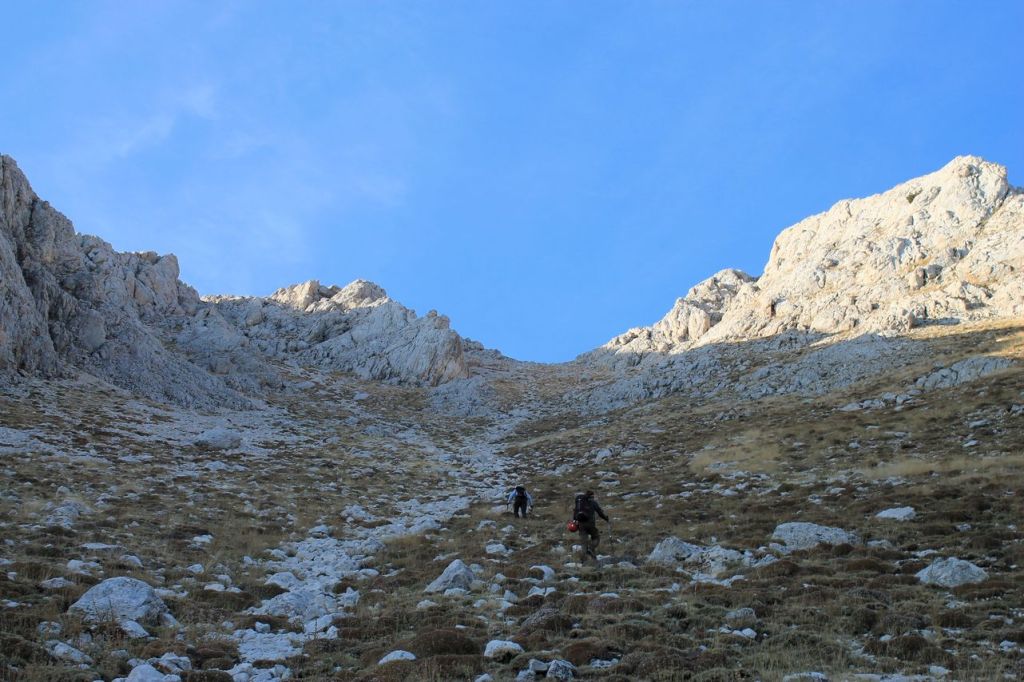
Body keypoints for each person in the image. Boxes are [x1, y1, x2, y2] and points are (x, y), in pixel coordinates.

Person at [573, 490, 609, 561]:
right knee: (596, 537)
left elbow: (575, 512)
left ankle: (584, 561)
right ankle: (591, 548)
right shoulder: (593, 502)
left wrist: (575, 521)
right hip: (591, 524)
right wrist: (606, 518)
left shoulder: (580, 503)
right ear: (592, 496)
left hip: (581, 525)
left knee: (584, 543)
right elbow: (600, 512)